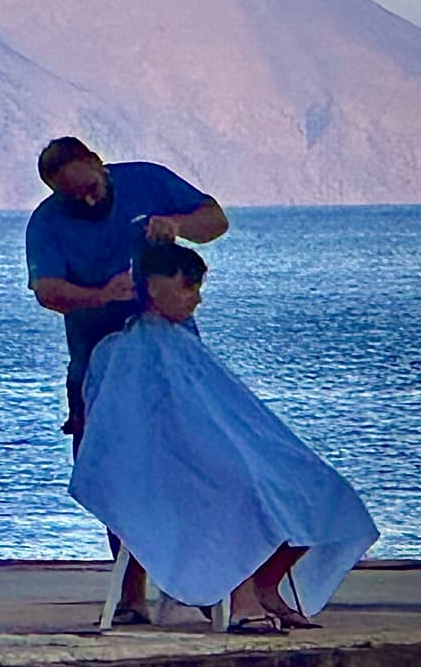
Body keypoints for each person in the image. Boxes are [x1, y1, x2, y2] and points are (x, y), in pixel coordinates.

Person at [70, 241, 377, 631]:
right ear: (153, 285)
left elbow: (224, 414)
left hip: (198, 457)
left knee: (320, 487)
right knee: (246, 489)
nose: (196, 299)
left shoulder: (180, 344)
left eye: (198, 288)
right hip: (163, 469)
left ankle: (267, 586)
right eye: (188, 286)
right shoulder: (122, 351)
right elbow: (135, 433)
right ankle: (241, 597)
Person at [24, 137, 229, 438]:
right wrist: (101, 295)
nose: (87, 201)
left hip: (171, 348)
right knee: (104, 451)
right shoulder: (46, 223)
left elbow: (216, 220)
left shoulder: (146, 180)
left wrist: (177, 225)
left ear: (97, 163)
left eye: (91, 189)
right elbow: (47, 290)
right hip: (96, 357)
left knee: (189, 439)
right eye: (72, 196)